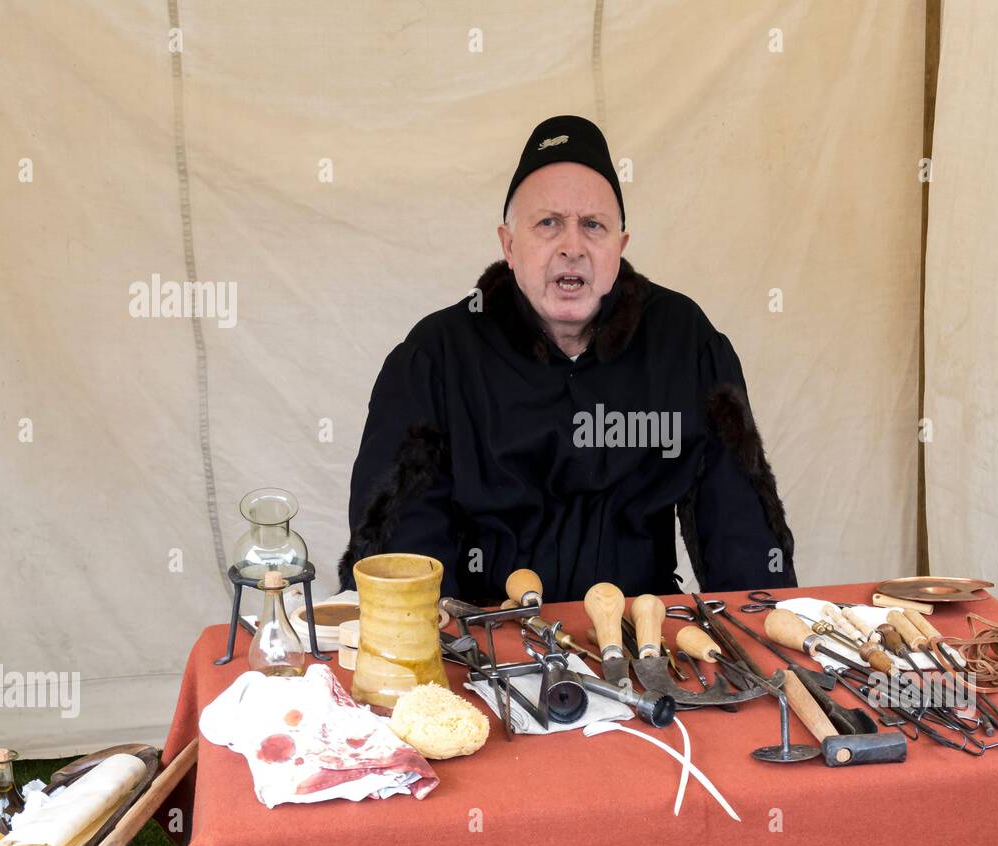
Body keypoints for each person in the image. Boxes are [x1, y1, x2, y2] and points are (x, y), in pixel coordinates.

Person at [340, 115, 796, 603]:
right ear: (509, 245)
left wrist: (756, 634)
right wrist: (436, 652)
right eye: (548, 223)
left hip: (644, 634)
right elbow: (402, 544)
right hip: (484, 641)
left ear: (619, 248)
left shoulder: (684, 341)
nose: (572, 247)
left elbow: (739, 526)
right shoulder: (437, 356)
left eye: (593, 225)